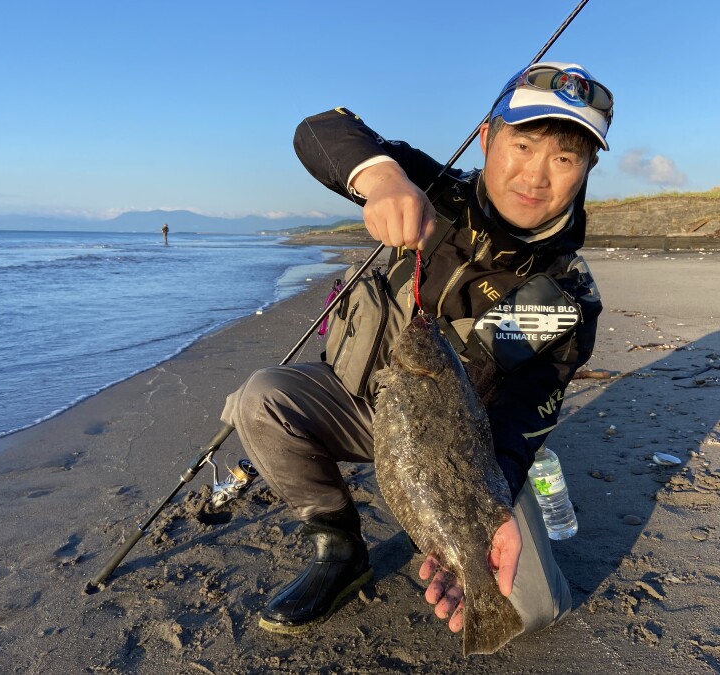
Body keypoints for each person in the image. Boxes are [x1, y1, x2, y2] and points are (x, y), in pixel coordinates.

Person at [221, 62, 612, 639]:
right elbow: (320, 130)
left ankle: (474, 555)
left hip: (466, 447)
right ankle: (339, 549)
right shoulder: (432, 187)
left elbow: (523, 415)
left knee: (532, 608)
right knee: (263, 397)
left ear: (587, 168)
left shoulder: (566, 294)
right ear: (487, 138)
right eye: (522, 144)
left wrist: (481, 512)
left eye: (565, 158)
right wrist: (382, 179)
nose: (536, 175)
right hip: (373, 403)